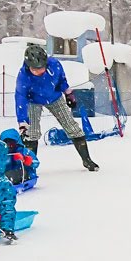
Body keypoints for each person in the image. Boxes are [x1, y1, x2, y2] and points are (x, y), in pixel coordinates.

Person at [15, 43, 99, 171]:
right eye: (35, 69)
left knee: (72, 127)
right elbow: (20, 97)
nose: (38, 71)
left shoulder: (54, 64)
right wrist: (22, 121)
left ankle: (87, 160)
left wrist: (68, 93)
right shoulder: (23, 76)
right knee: (31, 133)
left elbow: (61, 80)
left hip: (54, 97)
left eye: (41, 68)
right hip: (33, 101)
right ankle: (29, 167)